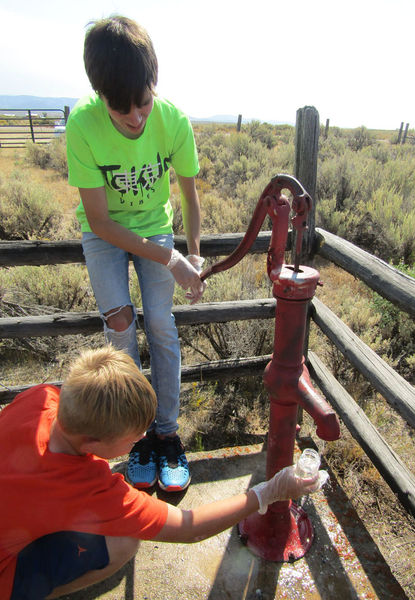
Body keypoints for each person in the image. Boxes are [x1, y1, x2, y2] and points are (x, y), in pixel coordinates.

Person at [0, 346, 319, 599]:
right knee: (125, 542)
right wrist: (268, 492)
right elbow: (188, 528)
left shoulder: (39, 399)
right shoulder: (87, 489)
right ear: (92, 441)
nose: (141, 439)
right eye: (132, 437)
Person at [65, 15, 206, 493]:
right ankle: (133, 437)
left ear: (154, 84)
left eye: (143, 103)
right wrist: (172, 261)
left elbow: (188, 196)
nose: (136, 117)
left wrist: (195, 255)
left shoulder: (173, 121)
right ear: (99, 95)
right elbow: (101, 222)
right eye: (121, 109)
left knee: (161, 325)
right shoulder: (82, 124)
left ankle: (167, 434)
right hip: (104, 234)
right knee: (121, 327)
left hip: (154, 226)